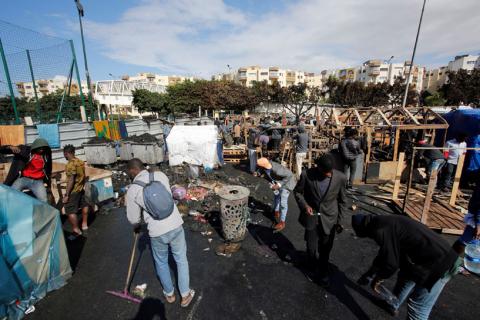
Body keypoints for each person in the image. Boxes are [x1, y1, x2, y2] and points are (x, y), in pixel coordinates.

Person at [352, 214, 459, 320]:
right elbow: (385, 253)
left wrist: (378, 278)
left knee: (418, 309)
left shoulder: (379, 229)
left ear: (364, 231)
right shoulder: (384, 221)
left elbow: (391, 264)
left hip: (441, 264)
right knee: (406, 275)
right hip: (435, 256)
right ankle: (392, 304)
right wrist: (370, 273)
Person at [125, 158, 195, 307]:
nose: (129, 176)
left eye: (128, 173)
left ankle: (169, 294)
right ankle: (185, 295)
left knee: (161, 261)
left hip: (157, 232)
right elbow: (168, 198)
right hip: (175, 223)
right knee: (181, 259)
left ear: (133, 171)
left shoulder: (132, 190)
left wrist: (137, 225)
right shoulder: (160, 175)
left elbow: (133, 219)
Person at [294, 154, 347, 286]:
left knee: (325, 249)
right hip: (312, 218)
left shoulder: (340, 178)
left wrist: (340, 221)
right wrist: (305, 206)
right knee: (311, 248)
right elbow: (298, 192)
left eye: (331, 172)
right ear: (319, 168)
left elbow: (342, 201)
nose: (329, 175)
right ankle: (311, 267)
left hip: (330, 219)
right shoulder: (307, 175)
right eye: (326, 172)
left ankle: (323, 273)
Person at [0, 138, 52, 202]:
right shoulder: (25, 150)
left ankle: (42, 211)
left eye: (43, 148)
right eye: (40, 148)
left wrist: (48, 182)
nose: (42, 150)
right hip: (24, 179)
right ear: (35, 146)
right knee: (12, 194)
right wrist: (10, 147)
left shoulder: (46, 155)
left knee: (44, 199)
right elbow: (2, 150)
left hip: (38, 181)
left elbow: (49, 169)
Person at [256, 157, 296, 232]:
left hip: (287, 184)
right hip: (276, 182)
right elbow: (261, 170)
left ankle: (282, 222)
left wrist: (279, 185)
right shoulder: (264, 166)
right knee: (276, 196)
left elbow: (290, 175)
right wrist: (258, 173)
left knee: (283, 203)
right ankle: (276, 211)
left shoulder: (277, 170)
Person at [63, 144, 89, 237]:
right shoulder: (80, 162)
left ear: (66, 153)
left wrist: (66, 195)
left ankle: (76, 229)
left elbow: (71, 180)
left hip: (73, 191)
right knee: (84, 205)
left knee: (69, 210)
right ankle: (84, 224)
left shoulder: (70, 165)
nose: (64, 156)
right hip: (81, 188)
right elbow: (83, 175)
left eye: (64, 154)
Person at [452, 183, 480, 254]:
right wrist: (479, 224)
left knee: (467, 241)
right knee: (466, 240)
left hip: (476, 215)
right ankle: (449, 260)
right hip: (476, 217)